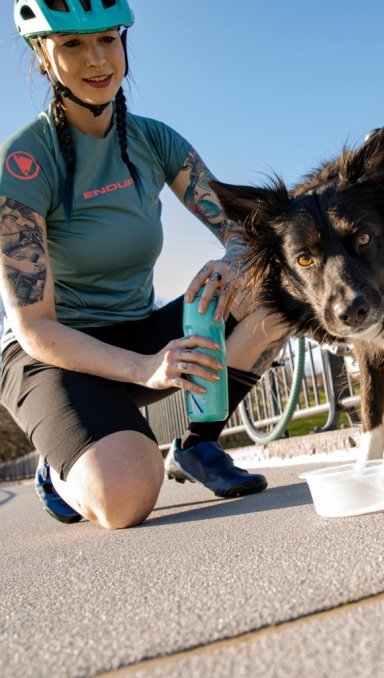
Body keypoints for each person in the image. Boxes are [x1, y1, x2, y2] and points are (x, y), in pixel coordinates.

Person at [0, 0, 288, 529]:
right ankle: (61, 464)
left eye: (107, 39)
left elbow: (245, 233)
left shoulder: (154, 140)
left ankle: (198, 446)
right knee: (126, 497)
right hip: (56, 356)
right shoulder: (23, 161)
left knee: (277, 288)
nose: (96, 60)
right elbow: (35, 326)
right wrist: (143, 370)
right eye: (71, 45)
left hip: (138, 333)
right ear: (43, 55)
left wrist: (231, 263)